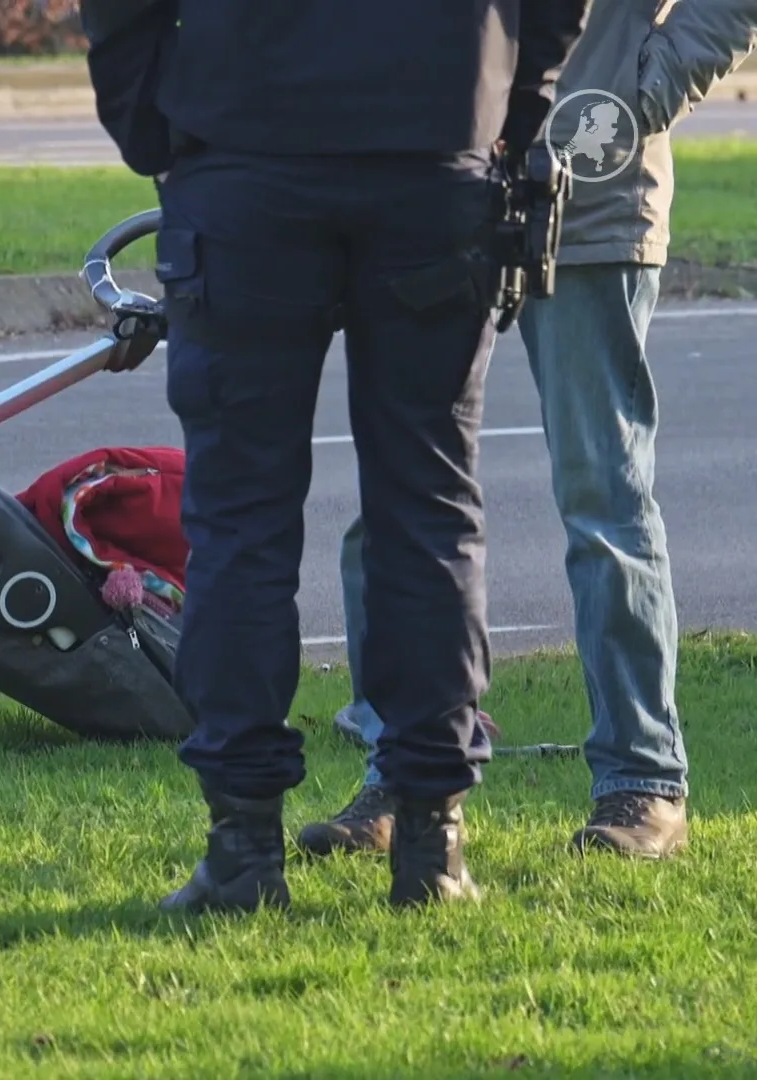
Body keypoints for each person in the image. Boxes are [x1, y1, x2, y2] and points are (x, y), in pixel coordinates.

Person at [85, 0, 592, 914]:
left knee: (240, 516)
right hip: (432, 141)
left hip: (243, 146)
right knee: (430, 501)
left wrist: (157, 121)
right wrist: (510, 112)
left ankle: (243, 848)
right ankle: (432, 844)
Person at [305, 0, 757, 865]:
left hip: (591, 195)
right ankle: (404, 776)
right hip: (433, 188)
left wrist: (638, 95)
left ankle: (644, 780)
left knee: (603, 498)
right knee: (397, 505)